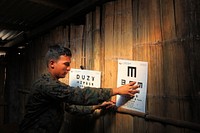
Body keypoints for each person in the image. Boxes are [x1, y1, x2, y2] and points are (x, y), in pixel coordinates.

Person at [19, 44, 139, 133]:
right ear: (52, 64)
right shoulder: (47, 85)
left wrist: (97, 106)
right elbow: (78, 95)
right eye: (66, 64)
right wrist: (116, 91)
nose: (69, 68)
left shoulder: (52, 85)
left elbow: (71, 107)